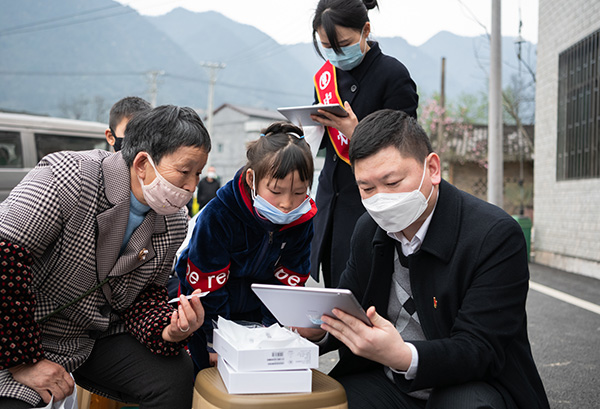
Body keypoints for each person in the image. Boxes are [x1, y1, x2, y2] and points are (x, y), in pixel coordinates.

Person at [302, 109, 550, 408]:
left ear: (432, 168)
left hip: (472, 384)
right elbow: (351, 307)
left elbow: (480, 349)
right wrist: (316, 330)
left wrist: (404, 356)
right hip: (389, 382)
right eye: (367, 188)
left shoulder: (493, 235)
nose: (381, 199)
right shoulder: (367, 229)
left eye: (392, 182)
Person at [0, 105, 210, 409]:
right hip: (17, 329)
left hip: (89, 335)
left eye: (198, 174)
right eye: (184, 171)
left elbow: (144, 295)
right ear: (142, 163)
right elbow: (5, 254)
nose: (192, 186)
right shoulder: (67, 178)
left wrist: (169, 328)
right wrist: (23, 362)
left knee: (174, 375)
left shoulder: (174, 220)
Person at [174, 122, 317, 372]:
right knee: (202, 379)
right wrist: (213, 342)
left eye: (299, 192)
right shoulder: (220, 214)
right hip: (207, 316)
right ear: (252, 179)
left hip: (259, 317)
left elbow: (290, 283)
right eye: (276, 191)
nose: (287, 204)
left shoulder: (302, 220)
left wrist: (271, 332)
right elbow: (205, 289)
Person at [308, 0, 419, 288]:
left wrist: (356, 132)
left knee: (368, 294)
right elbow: (324, 144)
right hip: (330, 202)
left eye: (343, 44)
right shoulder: (326, 78)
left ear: (365, 30)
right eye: (327, 47)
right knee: (332, 292)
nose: (336, 54)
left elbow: (405, 149)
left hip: (372, 207)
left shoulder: (392, 75)